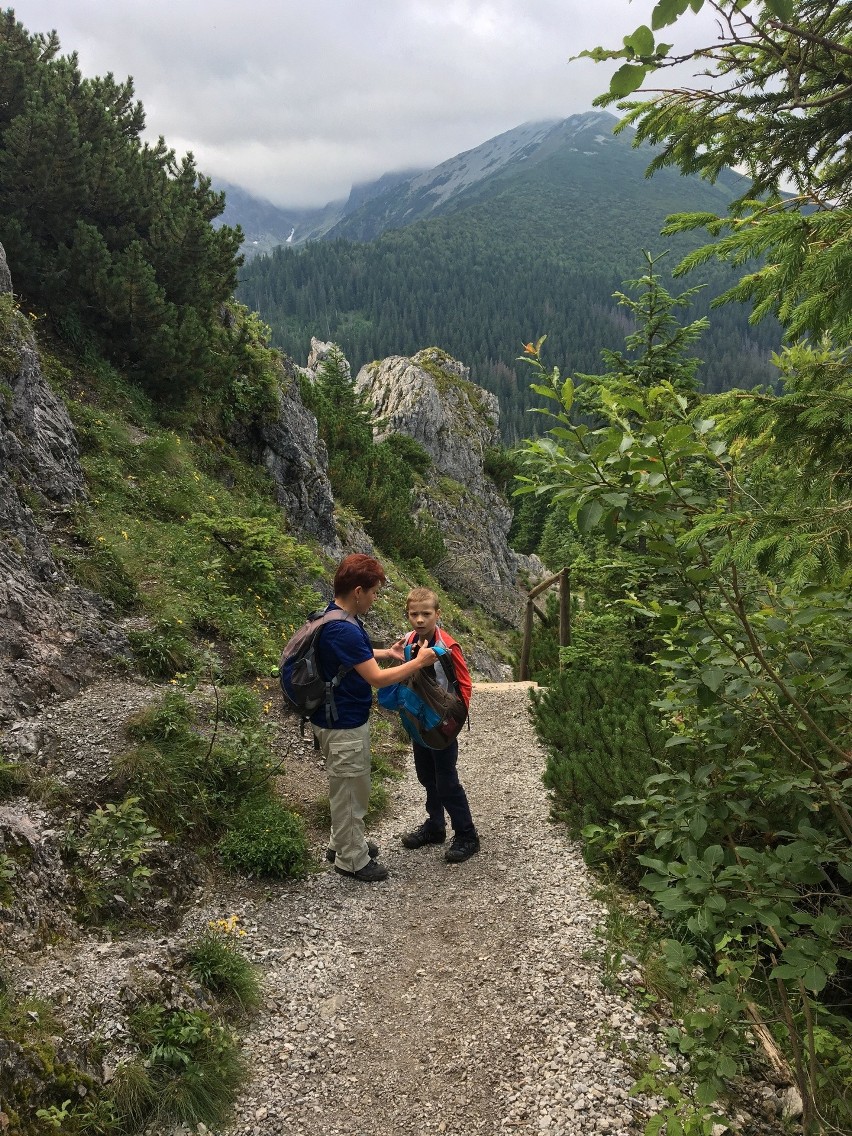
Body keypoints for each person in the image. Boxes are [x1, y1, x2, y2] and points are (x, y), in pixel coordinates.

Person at [311, 554, 437, 883]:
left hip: (334, 719)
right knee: (352, 790)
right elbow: (378, 680)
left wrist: (388, 653)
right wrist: (418, 662)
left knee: (347, 787)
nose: (375, 598)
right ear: (357, 591)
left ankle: (342, 844)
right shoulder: (345, 630)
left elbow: (356, 658)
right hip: (343, 725)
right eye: (373, 592)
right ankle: (351, 861)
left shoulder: (333, 615)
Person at [399, 587, 479, 863]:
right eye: (414, 614)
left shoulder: (447, 645)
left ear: (437, 614)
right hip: (420, 721)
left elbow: (464, 682)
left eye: (426, 614)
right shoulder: (409, 640)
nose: (419, 620)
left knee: (446, 780)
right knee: (425, 775)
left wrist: (457, 715)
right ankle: (435, 825)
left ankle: (466, 834)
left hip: (442, 722)